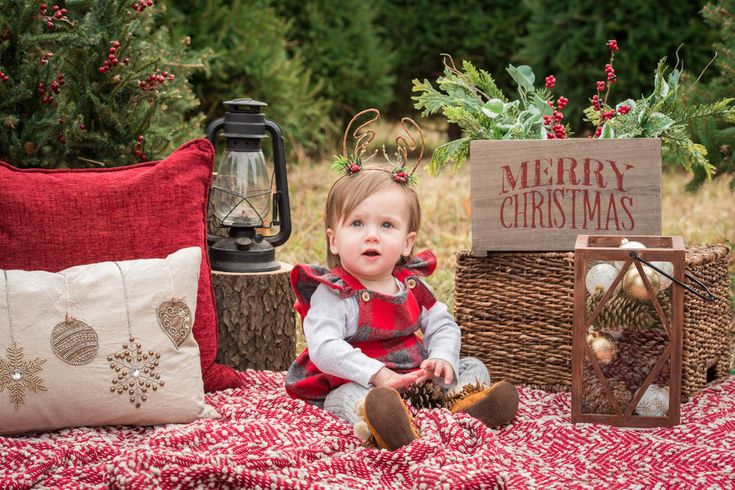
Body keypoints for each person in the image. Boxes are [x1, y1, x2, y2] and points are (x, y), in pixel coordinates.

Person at [285, 116, 518, 451]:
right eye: (357, 223)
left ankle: (467, 406)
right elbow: (324, 347)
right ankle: (385, 422)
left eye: (386, 225)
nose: (371, 235)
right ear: (334, 240)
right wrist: (377, 374)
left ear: (407, 243)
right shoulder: (335, 292)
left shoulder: (410, 285)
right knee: (350, 397)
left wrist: (441, 358)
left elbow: (443, 324)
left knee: (471, 365)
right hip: (361, 379)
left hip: (414, 377)